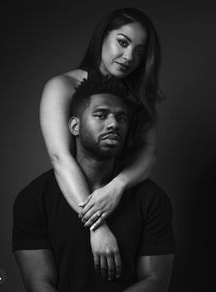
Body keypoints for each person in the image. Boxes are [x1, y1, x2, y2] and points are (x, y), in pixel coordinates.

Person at [12, 76, 175, 292]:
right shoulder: (34, 199)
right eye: (101, 115)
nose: (113, 124)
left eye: (121, 118)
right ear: (75, 126)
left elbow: (156, 282)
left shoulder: (151, 199)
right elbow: (39, 282)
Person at [40, 7, 161, 232]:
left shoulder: (138, 98)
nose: (129, 57)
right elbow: (60, 157)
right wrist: (98, 226)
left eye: (140, 52)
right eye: (123, 43)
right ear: (103, 35)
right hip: (75, 202)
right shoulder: (62, 87)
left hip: (125, 206)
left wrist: (116, 187)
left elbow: (148, 156)